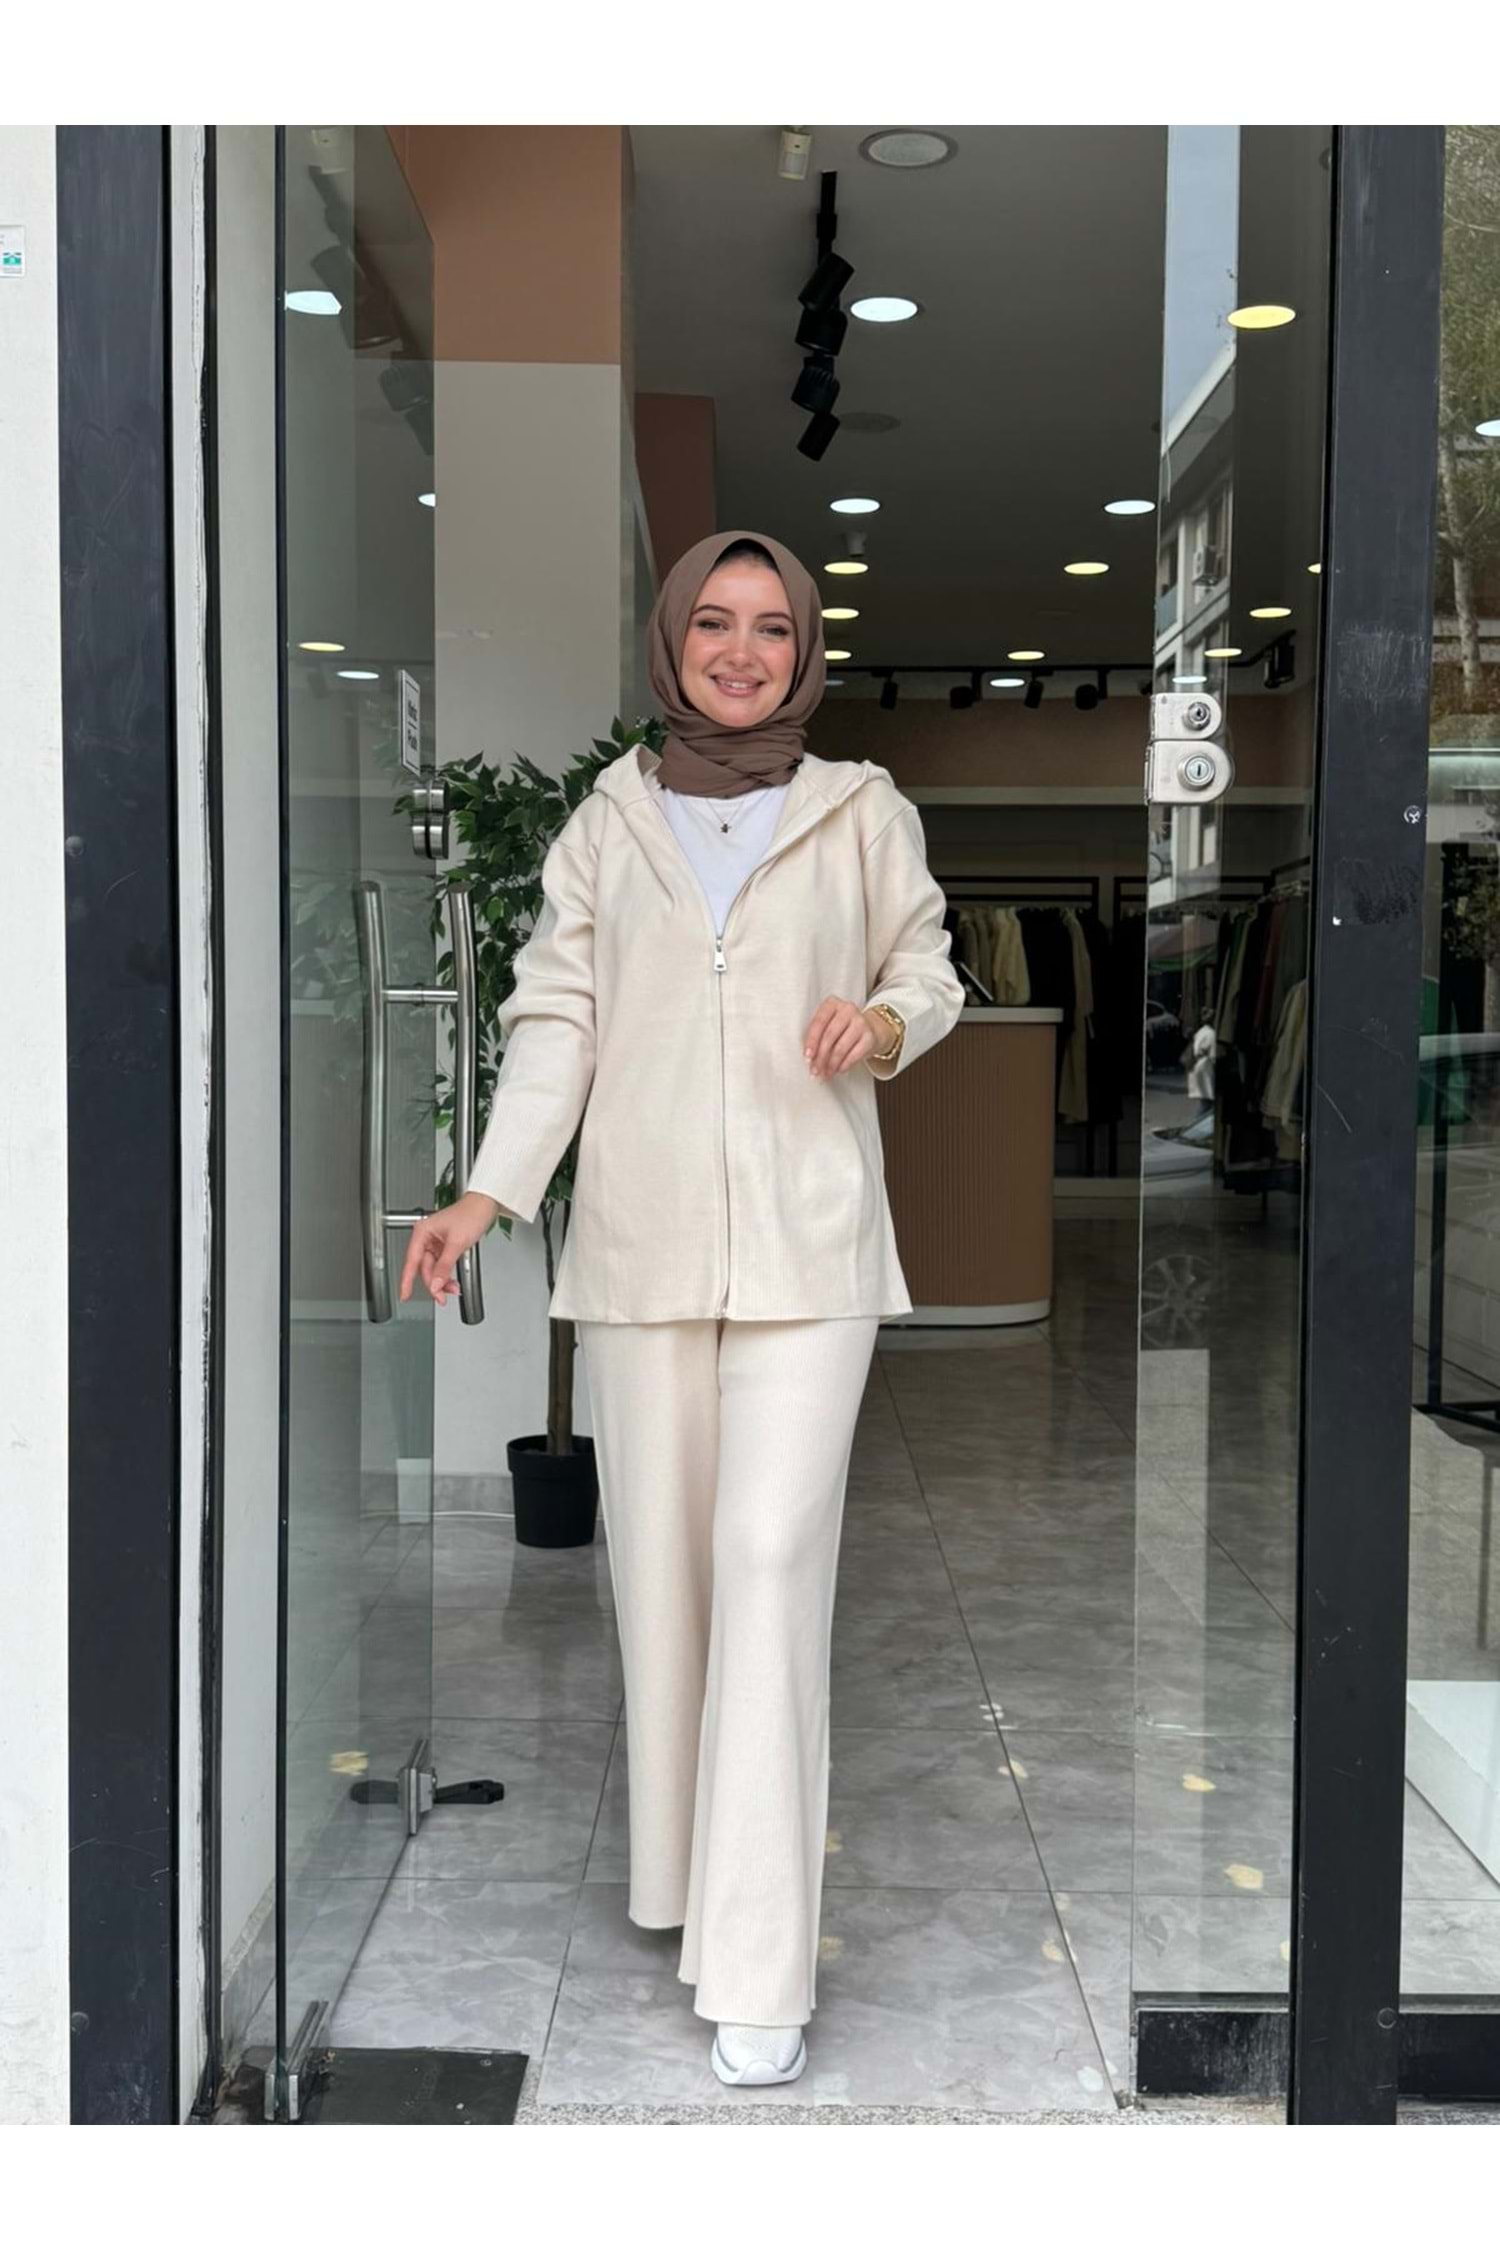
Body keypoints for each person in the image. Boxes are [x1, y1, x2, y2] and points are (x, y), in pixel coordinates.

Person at [399, 528, 964, 2088]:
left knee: (770, 1562)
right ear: (672, 640)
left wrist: (886, 1022)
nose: (741, 651)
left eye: (772, 627)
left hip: (811, 1249)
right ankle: (684, 1881)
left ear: (805, 652)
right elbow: (557, 1017)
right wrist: (487, 1192)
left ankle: (763, 1961)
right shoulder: (610, 821)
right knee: (661, 1579)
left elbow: (931, 965)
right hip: (644, 1255)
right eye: (714, 621)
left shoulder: (861, 808)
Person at [1186, 1006, 1216, 1115]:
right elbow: (1213, 1055)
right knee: (1207, 1102)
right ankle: (1197, 1122)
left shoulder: (1200, 1032)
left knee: (1205, 1101)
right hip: (1206, 1067)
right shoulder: (1212, 1034)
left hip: (1197, 1065)